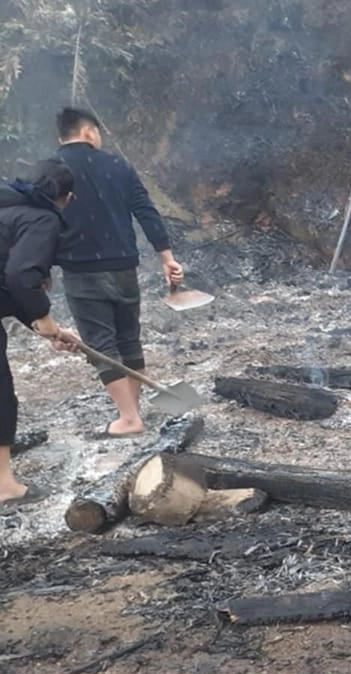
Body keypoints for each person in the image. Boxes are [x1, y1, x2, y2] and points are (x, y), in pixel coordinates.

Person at [54, 107, 185, 439]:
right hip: (124, 266)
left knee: (101, 342)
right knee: (128, 337)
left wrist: (39, 268)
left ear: (62, 137)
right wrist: (166, 257)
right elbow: (145, 209)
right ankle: (133, 410)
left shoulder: (52, 171)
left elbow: (40, 222)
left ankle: (128, 418)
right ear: (89, 132)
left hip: (82, 270)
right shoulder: (117, 166)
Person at [0, 159, 82, 506]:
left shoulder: (8, 211)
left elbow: (8, 283)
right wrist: (43, 317)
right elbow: (21, 277)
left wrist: (46, 327)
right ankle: (4, 486)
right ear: (67, 197)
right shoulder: (41, 219)